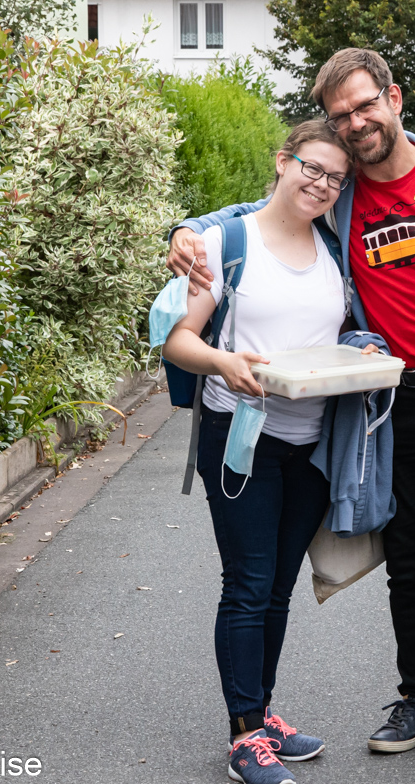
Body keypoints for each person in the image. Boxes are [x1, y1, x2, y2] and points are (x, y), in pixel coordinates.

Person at [167, 48, 415, 766]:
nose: (355, 122)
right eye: (341, 116)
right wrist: (182, 229)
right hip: (386, 407)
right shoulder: (338, 193)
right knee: (406, 560)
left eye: (365, 105)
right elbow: (253, 212)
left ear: (394, 98)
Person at [162, 120, 362, 784]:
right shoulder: (226, 241)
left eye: (336, 178)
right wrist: (222, 362)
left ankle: (264, 711)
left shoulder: (334, 248)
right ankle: (244, 734)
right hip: (240, 437)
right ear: (282, 162)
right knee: (247, 586)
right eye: (312, 168)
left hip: (311, 444)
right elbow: (176, 339)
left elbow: (340, 328)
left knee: (277, 588)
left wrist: (360, 348)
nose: (322, 184)